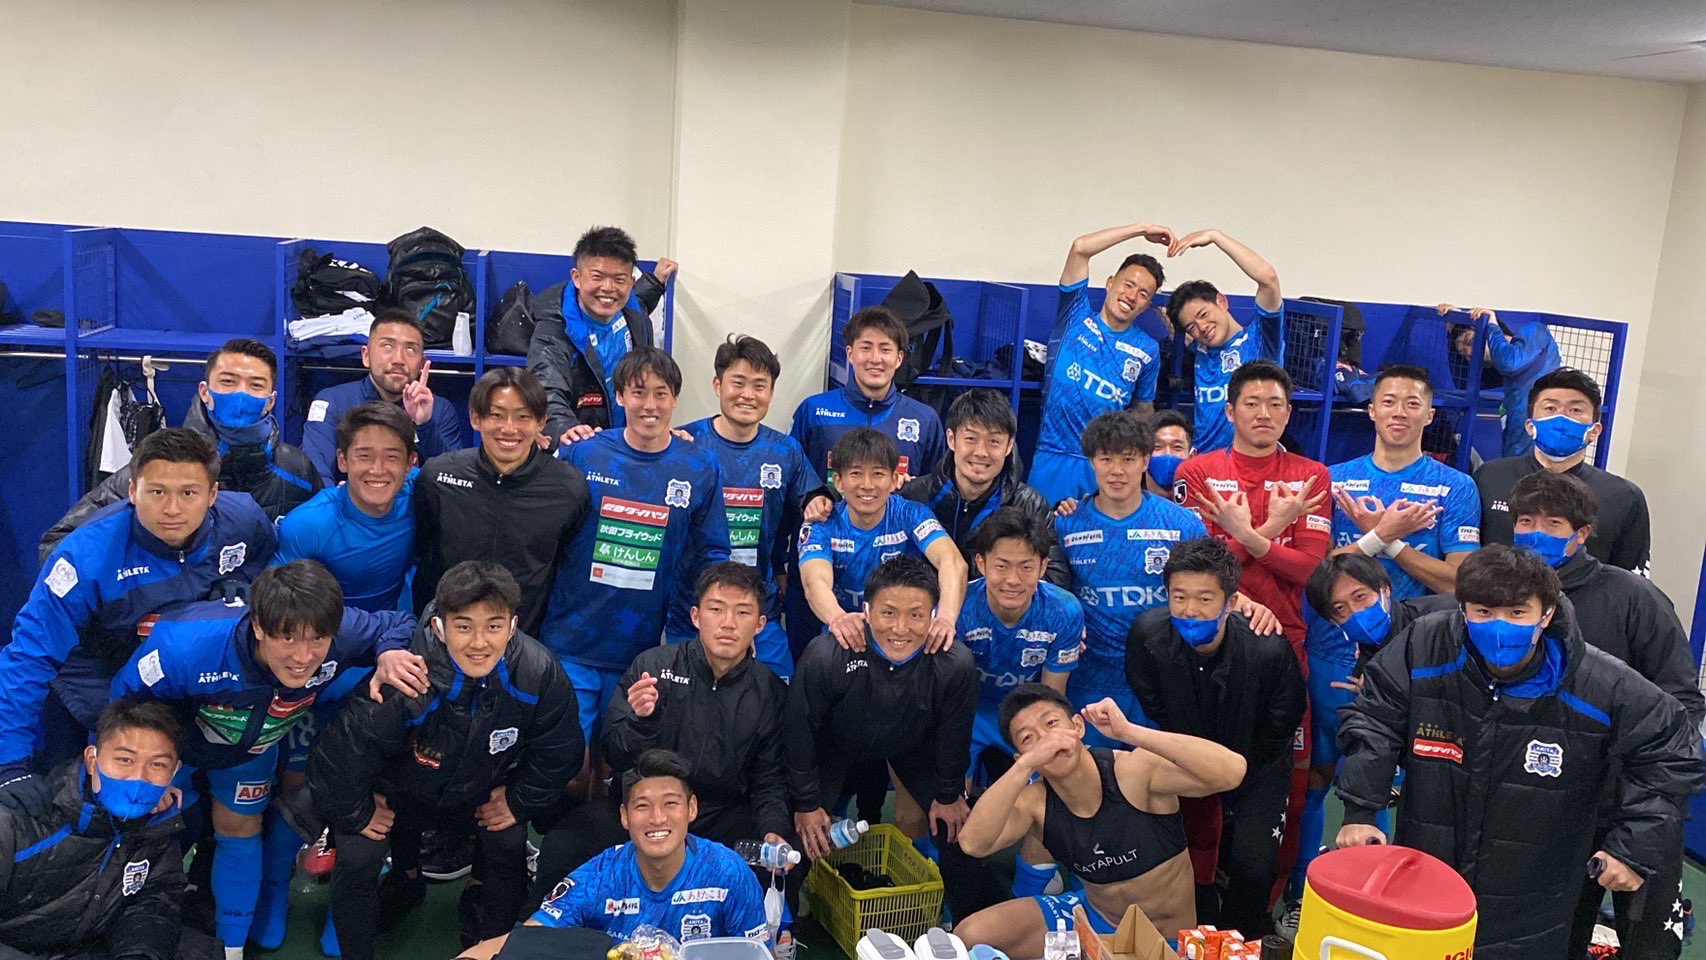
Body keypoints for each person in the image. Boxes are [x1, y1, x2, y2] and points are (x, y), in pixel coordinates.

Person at [1335, 546, 1702, 960]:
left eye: (1516, 613)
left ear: (1546, 614)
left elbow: (1673, 747)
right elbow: (1375, 716)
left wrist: (1632, 847)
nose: (1498, 626)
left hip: (1535, 901)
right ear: (1462, 610)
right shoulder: (1424, 646)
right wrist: (1361, 810)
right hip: (1428, 877)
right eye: (1483, 612)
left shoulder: (1597, 682)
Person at [109, 561, 422, 958]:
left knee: (240, 832)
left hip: (252, 751)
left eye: (318, 639)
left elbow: (397, 622)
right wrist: (150, 771)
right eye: (287, 638)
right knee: (143, 826)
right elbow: (123, 705)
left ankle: (231, 951)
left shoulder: (340, 629)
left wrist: (390, 652)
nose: (303, 656)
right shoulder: (184, 645)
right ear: (258, 626)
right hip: (177, 751)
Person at [308, 562, 583, 960]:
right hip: (398, 795)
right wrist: (358, 811)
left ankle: (492, 947)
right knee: (358, 851)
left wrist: (518, 799)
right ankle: (375, 925)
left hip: (478, 794)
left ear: (513, 626)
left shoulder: (538, 672)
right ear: (438, 627)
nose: (479, 642)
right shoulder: (406, 675)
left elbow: (561, 749)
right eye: (463, 626)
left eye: (493, 626)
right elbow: (340, 753)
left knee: (508, 837)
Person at [1504, 471, 1704, 958]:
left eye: (1553, 524)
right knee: (1554, 938)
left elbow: (1681, 705)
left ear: (1583, 534)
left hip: (1632, 805)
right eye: (1526, 521)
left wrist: (1643, 804)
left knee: (1646, 944)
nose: (1536, 533)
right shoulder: (1503, 601)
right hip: (1550, 806)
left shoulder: (1635, 599)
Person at [0, 428, 276, 778]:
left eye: (188, 493)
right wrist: (9, 766)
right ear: (132, 491)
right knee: (102, 783)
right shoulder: (86, 556)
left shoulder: (243, 519)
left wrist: (244, 583)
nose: (172, 509)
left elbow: (269, 560)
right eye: (157, 492)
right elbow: (29, 656)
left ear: (212, 494)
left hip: (183, 673)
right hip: (97, 674)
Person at [536, 563, 791, 899]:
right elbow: (615, 753)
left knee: (781, 860)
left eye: (742, 612)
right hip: (645, 808)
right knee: (564, 845)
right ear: (696, 616)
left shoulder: (771, 692)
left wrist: (774, 829)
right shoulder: (652, 667)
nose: (728, 623)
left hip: (719, 816)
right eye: (716, 609)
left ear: (759, 624)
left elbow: (770, 779)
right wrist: (642, 721)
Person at [954, 686, 1246, 951]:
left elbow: (1233, 771)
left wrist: (1129, 732)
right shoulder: (1035, 801)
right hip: (1094, 919)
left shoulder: (1133, 772)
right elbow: (973, 843)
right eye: (1028, 738)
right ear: (1021, 757)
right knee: (970, 934)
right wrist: (1025, 767)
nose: (1046, 740)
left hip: (1163, 940)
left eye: (1051, 724)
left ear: (1078, 727)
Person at [785, 557, 995, 920]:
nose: (901, 628)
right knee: (795, 839)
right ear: (866, 612)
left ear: (934, 617)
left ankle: (973, 927)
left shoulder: (954, 663)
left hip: (911, 744)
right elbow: (798, 729)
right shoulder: (827, 654)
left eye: (916, 615)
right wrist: (805, 803)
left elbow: (954, 734)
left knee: (959, 832)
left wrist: (949, 795)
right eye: (888, 613)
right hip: (835, 745)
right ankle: (783, 927)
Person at [542, 348, 731, 742]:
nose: (650, 405)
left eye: (661, 394)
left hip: (643, 651)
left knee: (623, 756)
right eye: (638, 392)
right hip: (570, 640)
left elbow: (713, 554)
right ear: (619, 396)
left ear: (675, 399)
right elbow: (543, 531)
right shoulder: (583, 453)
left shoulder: (700, 467)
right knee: (568, 758)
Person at [1124, 537, 1306, 937]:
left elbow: (1282, 720)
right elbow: (1151, 700)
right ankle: (1195, 928)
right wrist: (1195, 760)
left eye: (1205, 599)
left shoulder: (1268, 648)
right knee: (1180, 857)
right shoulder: (1146, 635)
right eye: (1179, 597)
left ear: (1231, 601)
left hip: (1259, 764)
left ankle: (1244, 936)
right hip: (1185, 761)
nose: (1190, 610)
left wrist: (1236, 774)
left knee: (1254, 865)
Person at [458, 749, 770, 960]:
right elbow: (529, 941)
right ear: (624, 816)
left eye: (670, 804)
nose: (657, 818)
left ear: (692, 809)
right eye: (642, 806)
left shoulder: (729, 874)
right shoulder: (598, 877)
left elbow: (757, 954)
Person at [1285, 554, 1455, 926]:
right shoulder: (1369, 663)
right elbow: (1374, 742)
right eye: (1341, 610)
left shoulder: (1443, 618)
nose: (1355, 613)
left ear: (1385, 590)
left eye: (1361, 597)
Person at [41, 340, 318, 553]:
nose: (240, 394)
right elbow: (59, 543)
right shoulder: (160, 464)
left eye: (255, 385)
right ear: (205, 392)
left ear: (270, 401)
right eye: (228, 382)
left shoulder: (298, 470)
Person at [0, 699, 209, 960]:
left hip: (84, 946)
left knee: (200, 949)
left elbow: (154, 901)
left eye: (157, 765)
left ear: (174, 772)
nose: (139, 777)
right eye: (125, 759)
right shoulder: (17, 820)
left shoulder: (158, 826)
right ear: (92, 760)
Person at [661, 336, 819, 679]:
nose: (748, 395)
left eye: (759, 385)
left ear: (771, 393)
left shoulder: (786, 451)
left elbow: (815, 499)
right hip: (690, 612)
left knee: (778, 697)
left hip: (760, 610)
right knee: (690, 702)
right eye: (738, 383)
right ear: (717, 385)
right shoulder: (683, 444)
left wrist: (822, 501)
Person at [1053, 412, 1208, 745]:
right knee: (1091, 775)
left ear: (1145, 461)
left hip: (1162, 679)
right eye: (1106, 459)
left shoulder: (1182, 525)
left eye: (1127, 459)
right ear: (1091, 462)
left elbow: (1210, 594)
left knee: (1159, 776)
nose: (1117, 470)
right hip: (1089, 682)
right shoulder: (1066, 524)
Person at [414, 366, 591, 636]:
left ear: (541, 422)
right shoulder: (438, 476)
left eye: (523, 417)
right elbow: (419, 551)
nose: (509, 428)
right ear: (475, 418)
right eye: (497, 415)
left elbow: (568, 569)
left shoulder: (568, 488)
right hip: (442, 637)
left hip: (524, 641)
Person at [1027, 222, 1170, 504]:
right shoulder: (1074, 316)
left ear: (1147, 305)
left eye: (1143, 294)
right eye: (1128, 285)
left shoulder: (1147, 349)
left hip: (1105, 466)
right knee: (1038, 531)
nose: (1132, 296)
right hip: (1052, 457)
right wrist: (1141, 229)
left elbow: (1143, 412)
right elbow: (1080, 248)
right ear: (1110, 283)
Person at [797, 428, 966, 652]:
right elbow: (814, 582)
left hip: (905, 631)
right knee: (819, 651)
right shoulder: (820, 525)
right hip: (849, 630)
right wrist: (838, 618)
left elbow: (952, 562)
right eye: (856, 473)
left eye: (878, 474)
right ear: (838, 481)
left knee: (958, 656)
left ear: (894, 479)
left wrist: (945, 618)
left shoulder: (912, 514)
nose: (867, 485)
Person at [1474, 368, 1651, 574]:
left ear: (1594, 431)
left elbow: (1632, 580)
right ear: (1530, 426)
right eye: (1550, 408)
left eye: (1575, 410)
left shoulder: (1624, 496)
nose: (1561, 418)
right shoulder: (1489, 477)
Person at [1327, 365, 1481, 598]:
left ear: (1429, 416)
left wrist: (1388, 541)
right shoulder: (1334, 479)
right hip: (1342, 620)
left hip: (1421, 620)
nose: (1399, 412)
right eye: (1389, 402)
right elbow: (1317, 572)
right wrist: (1380, 536)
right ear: (1372, 411)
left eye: (1413, 404)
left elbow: (1459, 584)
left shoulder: (1456, 486)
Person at [957, 510, 1083, 782]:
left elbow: (1052, 697)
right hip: (968, 713)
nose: (1013, 580)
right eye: (1001, 566)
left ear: (1043, 567)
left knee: (1049, 789)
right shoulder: (958, 607)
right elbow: (947, 696)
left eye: (1026, 567)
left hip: (1029, 714)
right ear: (981, 563)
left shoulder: (1064, 610)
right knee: (950, 798)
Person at [526, 226, 677, 447]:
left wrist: (656, 282)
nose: (608, 288)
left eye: (619, 279)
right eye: (597, 277)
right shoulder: (554, 329)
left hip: (630, 445)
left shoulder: (634, 311)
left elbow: (640, 299)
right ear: (577, 278)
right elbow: (546, 389)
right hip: (581, 447)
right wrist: (566, 429)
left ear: (631, 282)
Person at [901, 389, 1069, 588]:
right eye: (971, 438)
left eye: (994, 441)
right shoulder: (913, 496)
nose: (981, 452)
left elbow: (1055, 581)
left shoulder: (1030, 505)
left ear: (1009, 446)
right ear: (951, 439)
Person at [276, 401, 418, 611]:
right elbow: (274, 608)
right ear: (342, 461)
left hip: (402, 625)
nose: (377, 470)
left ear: (410, 463)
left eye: (392, 457)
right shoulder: (307, 525)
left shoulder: (422, 493)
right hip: (331, 628)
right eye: (364, 456)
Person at [298, 309, 464, 486]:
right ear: (366, 356)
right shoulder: (333, 402)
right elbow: (316, 474)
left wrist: (425, 425)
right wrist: (342, 499)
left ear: (422, 364)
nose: (398, 359)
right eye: (387, 346)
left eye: (410, 349)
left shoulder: (439, 410)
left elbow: (453, 482)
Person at [1163, 229, 1285, 454]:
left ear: (1221, 301)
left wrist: (1215, 237)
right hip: (1202, 462)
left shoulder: (1258, 342)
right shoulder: (1199, 348)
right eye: (1191, 326)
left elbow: (1268, 278)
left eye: (1203, 314)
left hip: (1247, 461)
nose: (1202, 327)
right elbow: (1165, 320)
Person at [790, 306, 946, 481]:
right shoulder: (813, 411)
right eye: (866, 348)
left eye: (885, 349)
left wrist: (911, 489)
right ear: (850, 354)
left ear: (899, 358)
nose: (875, 359)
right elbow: (793, 480)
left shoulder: (925, 419)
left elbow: (936, 487)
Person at [1442, 304, 1561, 458]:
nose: (1470, 352)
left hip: (1546, 444)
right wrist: (1452, 329)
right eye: (1464, 354)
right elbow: (1463, 382)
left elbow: (1509, 363)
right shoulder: (1500, 372)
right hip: (1517, 449)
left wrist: (1490, 323)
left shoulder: (1534, 331)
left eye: (1470, 341)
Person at [1145, 410, 1195, 498]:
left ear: (1192, 456)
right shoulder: (1126, 501)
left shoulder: (1204, 501)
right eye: (1157, 447)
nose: (1168, 454)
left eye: (1177, 447)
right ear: (1144, 457)